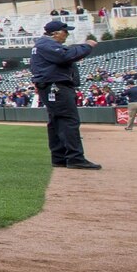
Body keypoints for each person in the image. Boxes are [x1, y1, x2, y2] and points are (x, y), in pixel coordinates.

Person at [31, 19, 101, 169]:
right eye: (65, 31)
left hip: (51, 85)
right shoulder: (46, 44)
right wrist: (87, 46)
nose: (67, 34)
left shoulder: (43, 44)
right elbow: (65, 56)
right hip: (57, 86)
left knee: (57, 121)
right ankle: (75, 158)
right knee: (68, 120)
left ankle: (60, 157)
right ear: (55, 33)